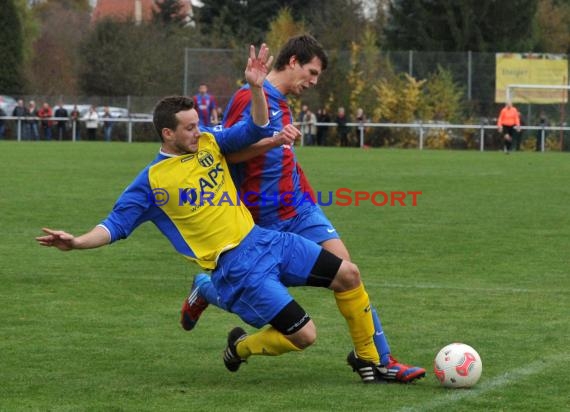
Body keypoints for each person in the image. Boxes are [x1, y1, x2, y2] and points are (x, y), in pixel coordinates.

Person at [35, 44, 383, 385]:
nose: (198, 131)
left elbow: (255, 130)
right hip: (238, 268)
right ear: (167, 133)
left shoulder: (208, 142)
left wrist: (257, 89)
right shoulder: (152, 182)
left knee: (349, 274)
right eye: (189, 127)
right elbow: (115, 226)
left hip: (266, 240)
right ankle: (237, 341)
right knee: (306, 335)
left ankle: (372, 362)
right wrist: (77, 242)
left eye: (198, 124)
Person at [181, 34, 425, 383]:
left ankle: (373, 358)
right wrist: (274, 140)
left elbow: (282, 158)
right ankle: (207, 290)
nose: (313, 82)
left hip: (301, 209)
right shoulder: (250, 97)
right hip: (263, 221)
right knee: (262, 294)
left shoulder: (284, 102)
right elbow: (228, 152)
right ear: (293, 61)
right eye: (311, 73)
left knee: (348, 273)